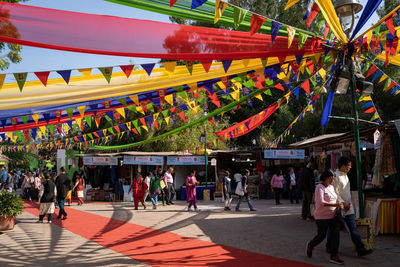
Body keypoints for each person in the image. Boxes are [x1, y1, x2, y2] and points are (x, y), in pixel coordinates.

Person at [328, 157, 373, 257]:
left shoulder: (345, 175)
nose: (350, 167)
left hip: (348, 205)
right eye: (349, 166)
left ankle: (360, 249)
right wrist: (342, 203)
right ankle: (329, 246)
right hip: (339, 207)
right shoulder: (335, 176)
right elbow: (334, 192)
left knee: (353, 228)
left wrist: (347, 204)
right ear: (343, 166)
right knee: (334, 229)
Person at [306, 170, 344, 265]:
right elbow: (321, 202)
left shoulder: (332, 187)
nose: (332, 180)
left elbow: (337, 197)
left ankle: (334, 255)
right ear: (325, 178)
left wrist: (342, 204)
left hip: (333, 216)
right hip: (321, 217)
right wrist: (335, 204)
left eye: (333, 179)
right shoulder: (319, 187)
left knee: (336, 235)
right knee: (321, 236)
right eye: (330, 178)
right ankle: (311, 245)